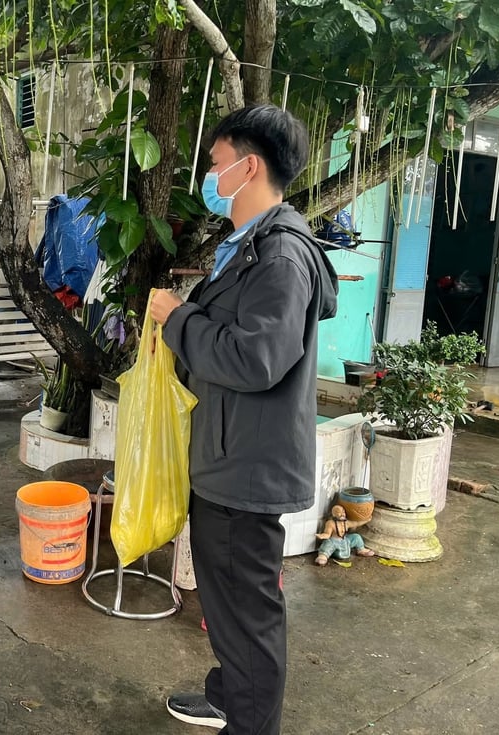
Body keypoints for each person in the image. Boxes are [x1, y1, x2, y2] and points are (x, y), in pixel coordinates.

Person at [149, 105, 339, 734]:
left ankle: (250, 720)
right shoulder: (249, 247)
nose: (210, 174)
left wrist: (177, 318)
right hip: (229, 459)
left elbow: (256, 359)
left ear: (247, 166)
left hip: (247, 471)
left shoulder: (280, 257)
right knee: (229, 607)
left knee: (248, 616)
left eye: (215, 162)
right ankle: (230, 695)